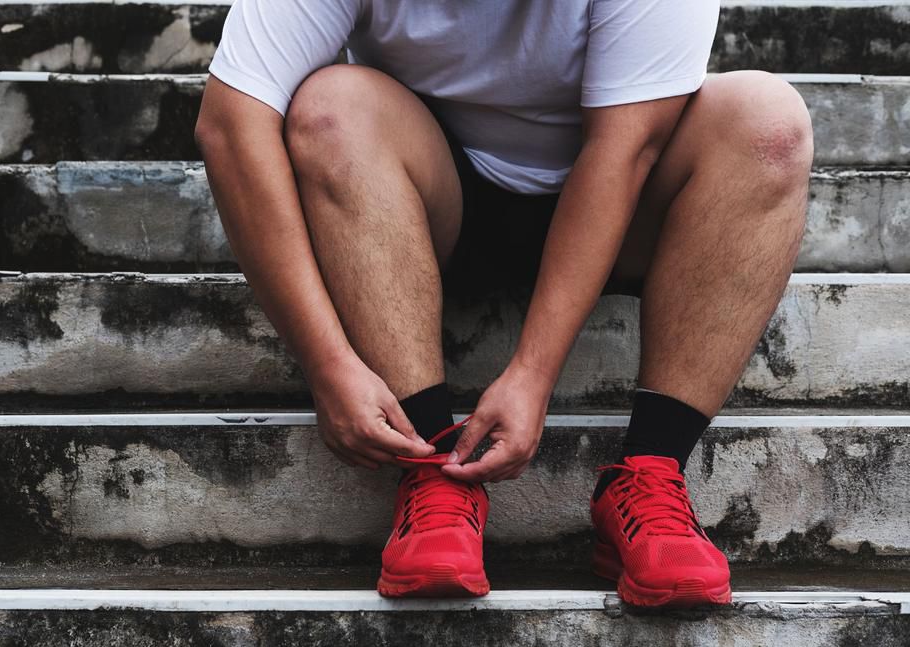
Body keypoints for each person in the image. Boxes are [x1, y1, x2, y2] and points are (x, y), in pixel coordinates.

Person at [194, 0, 813, 605]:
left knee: (767, 119)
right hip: (432, 199)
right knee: (331, 105)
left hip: (618, 208)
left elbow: (624, 153)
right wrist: (326, 361)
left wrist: (533, 374)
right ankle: (433, 467)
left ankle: (651, 477)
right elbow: (230, 124)